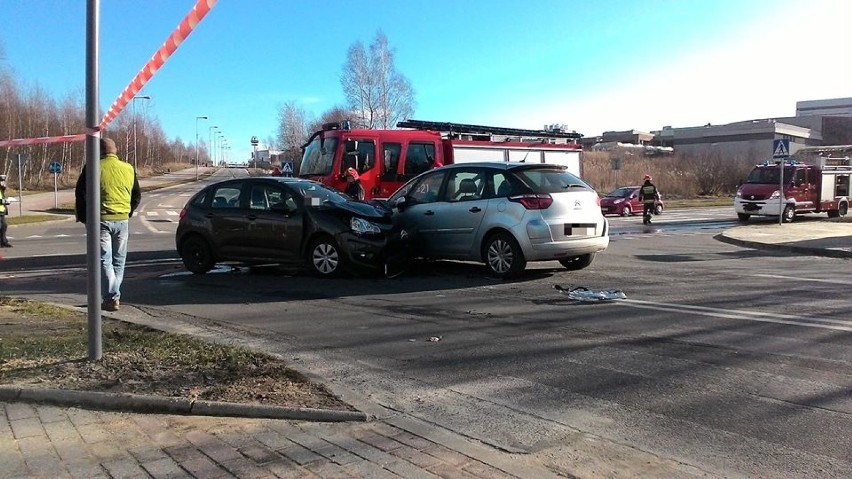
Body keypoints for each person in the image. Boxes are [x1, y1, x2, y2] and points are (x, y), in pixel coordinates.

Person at [75, 137, 141, 312]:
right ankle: (113, 296)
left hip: (100, 219)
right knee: (119, 260)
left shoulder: (91, 168)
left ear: (98, 151)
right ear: (116, 150)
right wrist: (128, 211)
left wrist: (83, 217)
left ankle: (112, 296)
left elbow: (80, 194)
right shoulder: (128, 169)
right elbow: (137, 195)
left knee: (104, 260)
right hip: (122, 219)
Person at [0, 174, 11, 247]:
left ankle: (4, 241)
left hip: (2, 210)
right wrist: (4, 201)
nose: (3, 183)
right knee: (1, 226)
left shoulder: (1, 189)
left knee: (4, 226)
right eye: (1, 181)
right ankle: (2, 242)